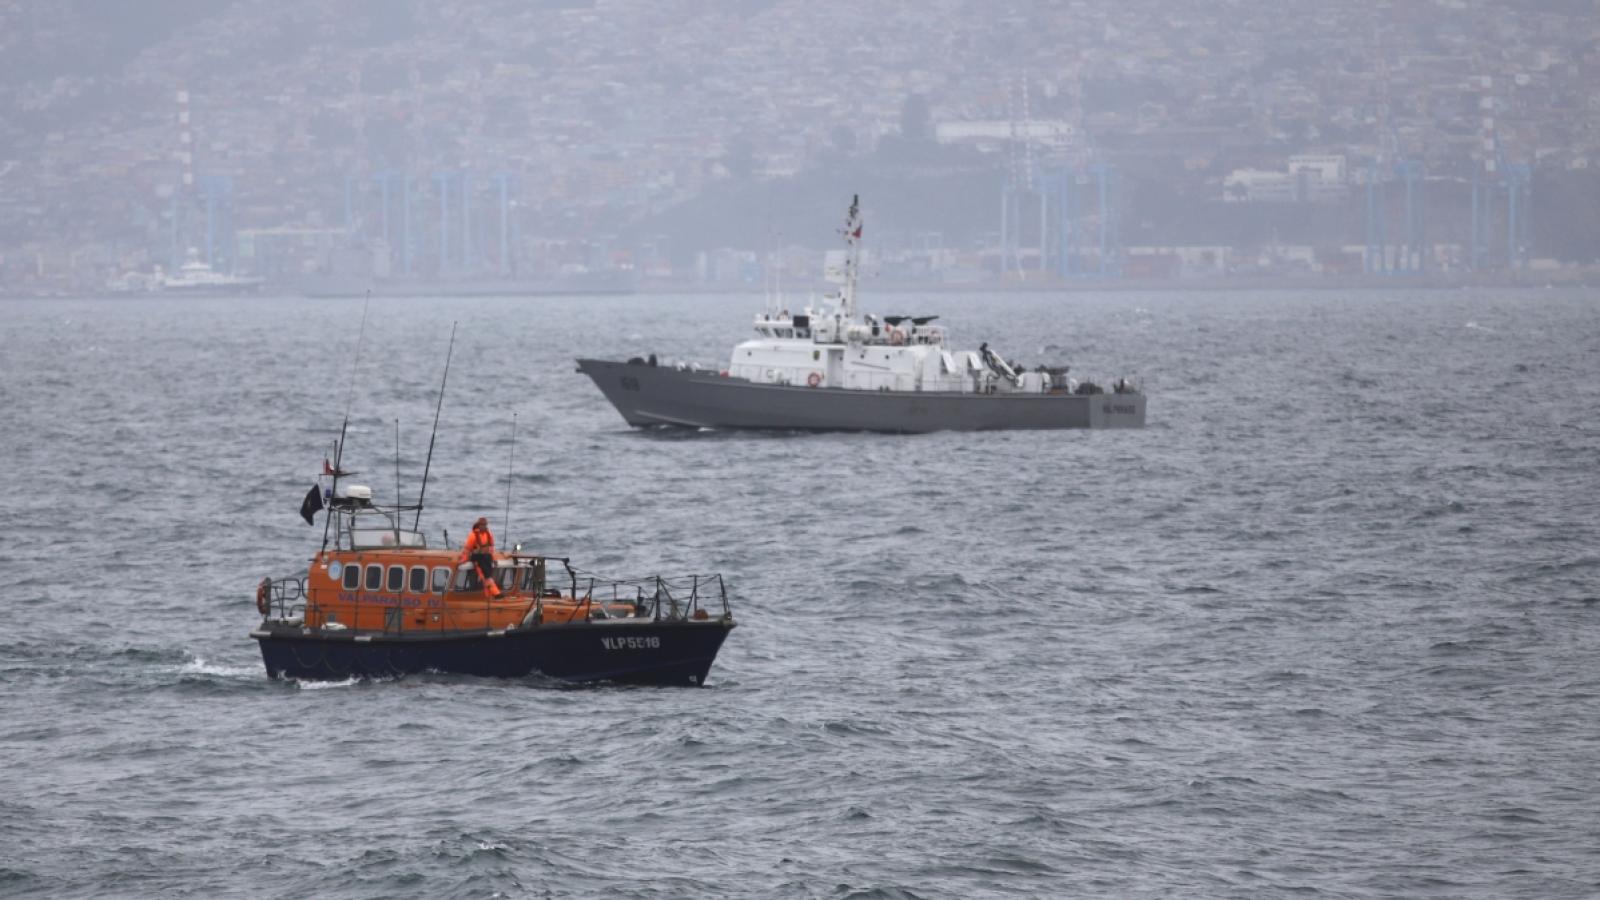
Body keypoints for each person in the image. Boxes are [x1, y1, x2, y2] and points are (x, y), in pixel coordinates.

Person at [459, 516, 502, 598]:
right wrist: (463, 560)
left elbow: (491, 548)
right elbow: (467, 549)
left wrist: (493, 558)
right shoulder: (473, 535)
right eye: (483, 525)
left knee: (488, 575)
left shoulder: (489, 534)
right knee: (485, 577)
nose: (484, 526)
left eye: (485, 525)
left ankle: (491, 596)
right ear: (479, 525)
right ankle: (495, 595)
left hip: (487, 558)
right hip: (477, 558)